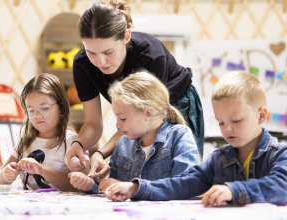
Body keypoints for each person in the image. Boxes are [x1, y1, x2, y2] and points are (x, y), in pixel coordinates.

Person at [66, 0, 204, 181]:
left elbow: (137, 118)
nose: (100, 62)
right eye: (91, 52)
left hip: (178, 104)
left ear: (126, 37)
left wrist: (100, 153)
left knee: (179, 179)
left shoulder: (150, 56)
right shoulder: (83, 64)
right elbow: (93, 124)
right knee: (136, 180)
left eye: (108, 52)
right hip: (135, 118)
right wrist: (78, 144)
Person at [105, 71, 287, 206]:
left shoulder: (280, 155)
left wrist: (234, 190)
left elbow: (281, 186)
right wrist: (136, 188)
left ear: (261, 116)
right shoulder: (219, 160)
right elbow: (183, 183)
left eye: (236, 120)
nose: (227, 129)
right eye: (221, 123)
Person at [68, 71, 199, 193]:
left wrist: (135, 188)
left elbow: (186, 185)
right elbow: (110, 184)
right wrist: (90, 184)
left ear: (148, 113)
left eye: (123, 118)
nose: (117, 125)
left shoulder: (179, 135)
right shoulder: (123, 143)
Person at [0, 73, 90, 191]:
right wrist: (5, 174)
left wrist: (41, 170)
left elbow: (85, 185)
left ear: (61, 107)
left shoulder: (74, 142)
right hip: (28, 207)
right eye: (31, 110)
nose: (37, 116)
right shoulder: (25, 140)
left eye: (45, 108)